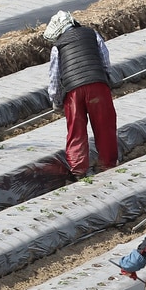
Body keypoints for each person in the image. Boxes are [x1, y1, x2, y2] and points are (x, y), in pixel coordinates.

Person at [44, 10, 118, 178]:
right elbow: (104, 58)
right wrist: (106, 77)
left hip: (73, 91)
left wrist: (55, 99)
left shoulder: (58, 46)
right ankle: (108, 165)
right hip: (97, 85)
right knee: (104, 126)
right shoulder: (92, 34)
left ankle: (78, 171)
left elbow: (54, 76)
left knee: (76, 130)